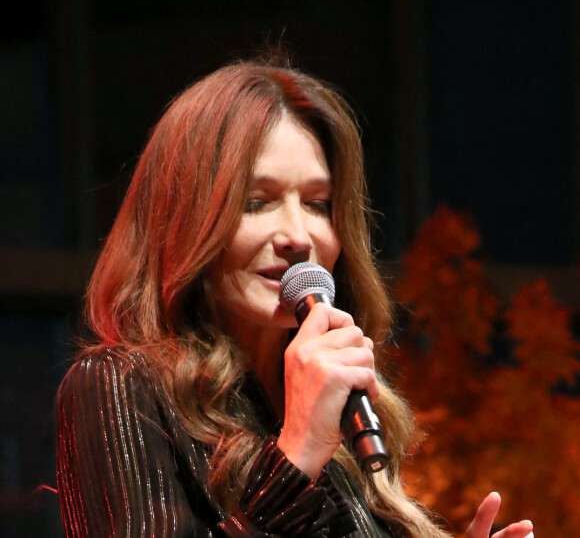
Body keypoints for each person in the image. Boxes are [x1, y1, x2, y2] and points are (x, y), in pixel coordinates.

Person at [56, 59, 534, 537]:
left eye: (317, 204)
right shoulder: (119, 387)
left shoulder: (348, 417)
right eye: (256, 202)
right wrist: (296, 454)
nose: (297, 236)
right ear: (184, 222)